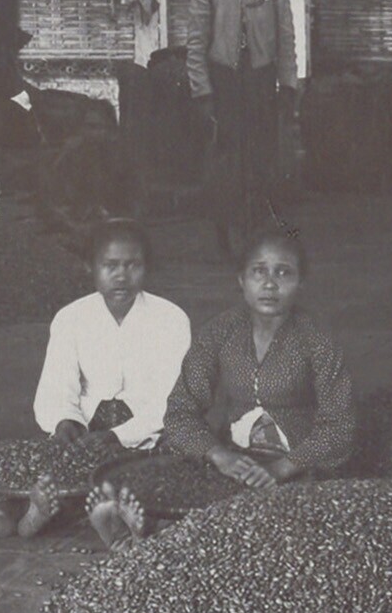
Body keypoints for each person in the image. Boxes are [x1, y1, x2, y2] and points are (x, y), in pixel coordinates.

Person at [124, 226, 356, 548]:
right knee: (174, 474)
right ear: (241, 280)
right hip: (234, 463)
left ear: (301, 283)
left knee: (283, 530)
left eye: (283, 273)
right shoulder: (220, 332)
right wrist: (220, 456)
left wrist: (282, 469)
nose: (270, 284)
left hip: (298, 468)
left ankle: (158, 535)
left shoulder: (316, 339)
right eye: (259, 271)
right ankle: (145, 532)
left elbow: (340, 426)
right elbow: (180, 412)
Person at [10, 221, 191, 543]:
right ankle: (45, 511)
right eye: (110, 265)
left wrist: (117, 435)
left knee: (175, 464)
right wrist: (66, 421)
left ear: (147, 267)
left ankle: (117, 516)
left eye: (132, 265)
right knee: (48, 463)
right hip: (87, 434)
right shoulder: (70, 318)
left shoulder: (171, 319)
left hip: (148, 434)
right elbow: (57, 385)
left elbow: (172, 398)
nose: (121, 276)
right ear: (90, 267)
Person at [184, 0, 297, 260]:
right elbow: (196, 43)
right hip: (224, 82)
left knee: (261, 157)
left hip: (261, 80)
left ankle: (257, 231)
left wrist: (288, 85)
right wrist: (202, 92)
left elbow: (286, 36)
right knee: (226, 160)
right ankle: (224, 234)